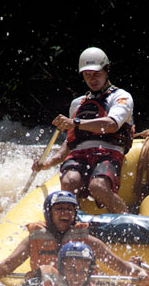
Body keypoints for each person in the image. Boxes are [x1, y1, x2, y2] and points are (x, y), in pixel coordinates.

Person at [0, 190, 148, 286]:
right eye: (60, 209)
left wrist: (139, 273)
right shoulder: (34, 239)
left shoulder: (87, 240)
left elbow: (120, 266)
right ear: (49, 214)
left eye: (70, 209)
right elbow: (7, 265)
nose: (65, 213)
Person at [31, 47, 134, 213]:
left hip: (108, 152)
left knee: (98, 186)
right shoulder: (77, 104)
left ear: (106, 70)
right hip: (80, 154)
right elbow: (70, 142)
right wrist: (47, 163)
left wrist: (76, 122)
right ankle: (73, 225)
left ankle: (127, 217)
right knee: (69, 181)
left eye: (96, 73)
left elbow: (112, 124)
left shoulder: (121, 97)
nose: (92, 79)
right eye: (87, 75)